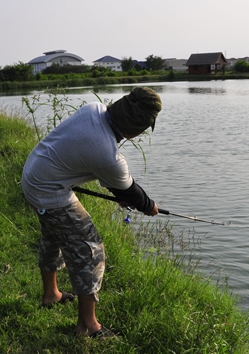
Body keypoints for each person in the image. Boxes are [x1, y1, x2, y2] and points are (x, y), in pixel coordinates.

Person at [21, 87, 162, 338]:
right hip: (48, 191)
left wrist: (123, 194)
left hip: (33, 175)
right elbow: (131, 193)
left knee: (54, 236)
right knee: (89, 250)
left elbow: (114, 183)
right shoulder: (108, 156)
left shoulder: (93, 110)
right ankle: (88, 326)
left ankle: (51, 295)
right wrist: (149, 206)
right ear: (138, 130)